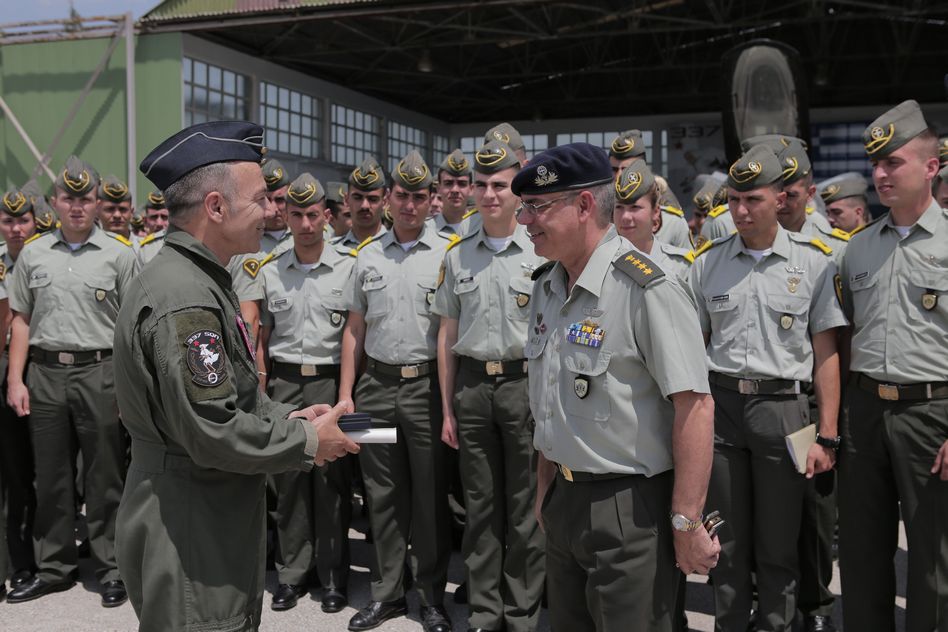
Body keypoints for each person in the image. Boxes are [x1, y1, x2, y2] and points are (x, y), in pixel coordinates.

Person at [112, 120, 359, 632]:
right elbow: (214, 428)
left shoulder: (200, 279)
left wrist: (290, 416)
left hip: (207, 505)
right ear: (216, 208)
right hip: (190, 519)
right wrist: (308, 439)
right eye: (262, 198)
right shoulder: (185, 299)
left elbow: (235, 392)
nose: (273, 210)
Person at [516, 143, 719, 632]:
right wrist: (546, 488)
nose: (524, 219)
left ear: (584, 205)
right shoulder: (548, 285)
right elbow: (550, 401)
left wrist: (686, 521)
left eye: (537, 206)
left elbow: (695, 406)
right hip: (564, 501)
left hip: (629, 511)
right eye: (524, 206)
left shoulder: (647, 289)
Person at [690, 144, 847, 632]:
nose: (739, 210)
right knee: (727, 541)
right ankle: (731, 625)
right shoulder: (707, 262)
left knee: (780, 541)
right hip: (721, 407)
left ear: (780, 199)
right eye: (734, 199)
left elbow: (826, 355)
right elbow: (694, 347)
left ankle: (778, 624)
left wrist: (826, 434)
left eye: (752, 199)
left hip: (783, 408)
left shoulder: (815, 261)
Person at [6, 156, 139, 607]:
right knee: (52, 478)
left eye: (85, 198)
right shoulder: (34, 254)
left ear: (98, 203)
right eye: (69, 198)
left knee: (105, 476)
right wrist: (15, 379)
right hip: (43, 375)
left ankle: (112, 567)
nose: (77, 207)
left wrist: (128, 385)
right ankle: (54, 567)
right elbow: (20, 319)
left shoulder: (121, 255)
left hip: (100, 372)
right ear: (54, 203)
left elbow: (131, 327)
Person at [837, 99, 948, 632]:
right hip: (864, 414)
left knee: (933, 559)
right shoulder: (856, 250)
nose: (880, 174)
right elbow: (841, 335)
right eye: (876, 164)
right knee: (860, 554)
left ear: (931, 166)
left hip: (932, 415)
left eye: (894, 162)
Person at [432, 139, 546, 632]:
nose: (488, 194)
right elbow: (446, 336)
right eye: (481, 185)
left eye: (499, 185)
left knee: (524, 510)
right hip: (474, 389)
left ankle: (521, 613)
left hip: (524, 387)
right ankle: (485, 612)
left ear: (518, 189)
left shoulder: (541, 254)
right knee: (480, 508)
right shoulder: (458, 258)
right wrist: (449, 410)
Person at [340, 150, 456, 632]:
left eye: (419, 197)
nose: (410, 205)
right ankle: (388, 593)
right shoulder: (366, 255)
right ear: (389, 199)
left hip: (425, 391)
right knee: (381, 493)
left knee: (430, 495)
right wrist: (347, 396)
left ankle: (429, 596)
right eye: (402, 195)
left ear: (432, 201)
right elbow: (354, 330)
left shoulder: (448, 252)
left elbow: (451, 333)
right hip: (376, 391)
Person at [258, 173, 356, 614]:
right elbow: (261, 337)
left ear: (327, 215)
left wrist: (347, 395)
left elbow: (357, 337)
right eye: (295, 214)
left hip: (332, 383)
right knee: (289, 481)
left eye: (313, 214)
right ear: (286, 215)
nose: (305, 223)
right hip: (284, 382)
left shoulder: (350, 265)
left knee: (332, 483)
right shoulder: (269, 269)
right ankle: (292, 574)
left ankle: (333, 576)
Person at [0, 189, 38, 591]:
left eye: (22, 220)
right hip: (5, 367)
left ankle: (26, 561)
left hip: (33, 371)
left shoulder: (43, 256)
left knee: (25, 473)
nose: (15, 228)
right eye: (8, 221)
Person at [613, 159, 695, 288]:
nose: (625, 217)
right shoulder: (602, 265)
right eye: (619, 207)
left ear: (656, 211)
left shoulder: (682, 267)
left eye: (635, 207)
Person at [331, 156, 389, 255]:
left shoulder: (399, 253)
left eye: (372, 199)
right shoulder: (330, 252)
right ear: (346, 200)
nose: (364, 206)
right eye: (357, 198)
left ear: (385, 202)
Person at [429, 148, 481, 238]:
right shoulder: (424, 231)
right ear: (438, 188)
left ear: (471, 189)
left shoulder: (482, 228)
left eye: (462, 184)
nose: (455, 190)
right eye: (448, 183)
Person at [96, 175, 136, 243]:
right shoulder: (89, 250)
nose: (117, 215)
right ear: (97, 211)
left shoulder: (144, 249)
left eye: (122, 209)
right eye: (110, 209)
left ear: (131, 212)